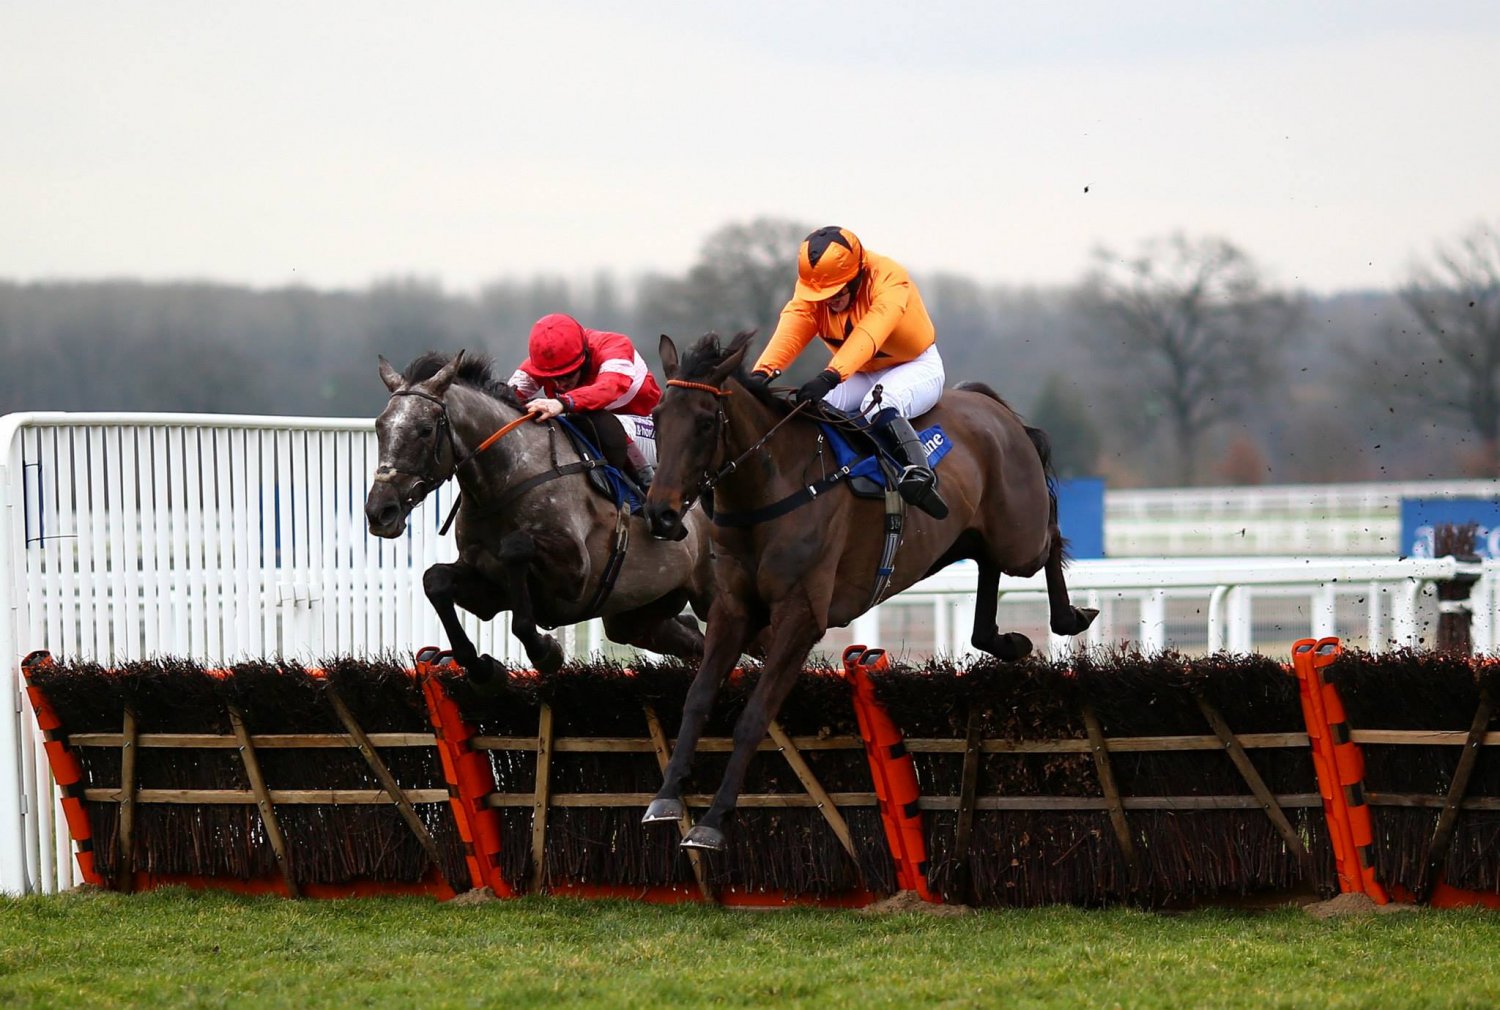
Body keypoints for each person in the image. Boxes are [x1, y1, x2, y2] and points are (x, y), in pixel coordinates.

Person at [749, 226, 949, 518]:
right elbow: (793, 327)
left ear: (856, 276)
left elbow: (870, 332)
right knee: (816, 408)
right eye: (821, 293)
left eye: (834, 291)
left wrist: (830, 375)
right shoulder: (816, 289)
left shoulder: (890, 278)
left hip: (915, 365)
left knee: (878, 405)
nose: (827, 300)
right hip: (860, 371)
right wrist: (761, 375)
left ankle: (920, 475)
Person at [508, 313, 661, 491]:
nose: (560, 384)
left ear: (585, 356)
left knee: (605, 423)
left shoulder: (616, 346)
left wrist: (562, 403)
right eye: (550, 378)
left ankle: (648, 487)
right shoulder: (543, 362)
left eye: (567, 375)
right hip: (599, 433)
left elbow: (608, 388)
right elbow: (505, 395)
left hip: (654, 432)